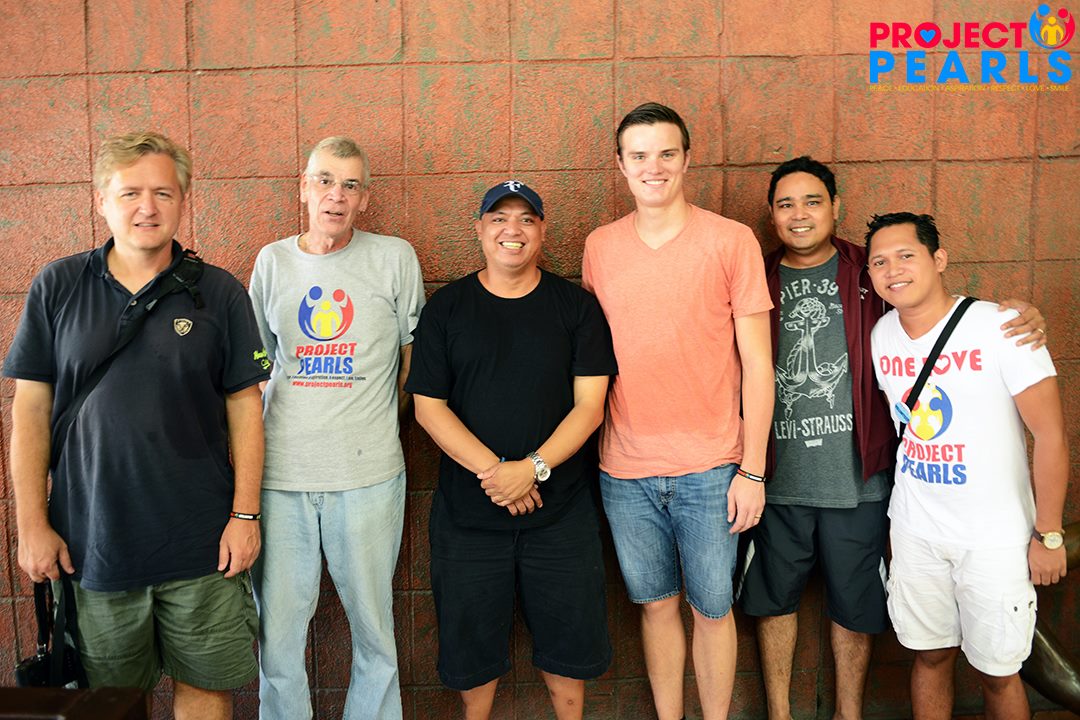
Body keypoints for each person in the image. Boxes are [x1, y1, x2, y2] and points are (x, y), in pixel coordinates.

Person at [738, 157, 1048, 720]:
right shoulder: (752, 275)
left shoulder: (869, 271)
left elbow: (936, 309)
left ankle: (849, 714)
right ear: (772, 215)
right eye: (786, 204)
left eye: (813, 201)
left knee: (856, 604)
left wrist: (1021, 315)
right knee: (773, 600)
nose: (800, 214)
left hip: (861, 478)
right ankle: (779, 714)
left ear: (836, 208)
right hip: (777, 475)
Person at [5, 131, 268, 720]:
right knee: (114, 702)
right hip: (94, 544)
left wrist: (245, 516)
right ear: (102, 200)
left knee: (207, 689)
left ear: (183, 200)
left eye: (163, 193)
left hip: (203, 543)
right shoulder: (59, 286)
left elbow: (246, 407)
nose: (147, 207)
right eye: (130, 193)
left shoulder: (218, 292)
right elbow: (29, 410)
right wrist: (32, 524)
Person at [582, 102, 774, 720]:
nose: (654, 167)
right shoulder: (600, 247)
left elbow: (759, 366)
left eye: (667, 153)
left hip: (713, 467)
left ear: (687, 159)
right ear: (620, 165)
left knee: (713, 610)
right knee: (656, 605)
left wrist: (753, 469)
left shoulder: (730, 240)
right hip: (625, 469)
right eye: (639, 155)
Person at [406, 181, 616, 720]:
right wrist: (501, 474)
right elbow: (429, 408)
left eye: (526, 218)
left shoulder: (577, 308)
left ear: (542, 231)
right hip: (469, 518)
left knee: (569, 651)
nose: (512, 230)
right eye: (499, 218)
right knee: (472, 657)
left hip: (561, 515)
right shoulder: (446, 308)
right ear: (479, 229)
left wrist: (534, 469)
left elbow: (590, 407)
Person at [248, 136, 424, 720]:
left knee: (375, 631)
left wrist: (376, 427)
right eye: (324, 181)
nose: (336, 195)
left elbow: (412, 364)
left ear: (365, 198)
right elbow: (256, 369)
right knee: (278, 640)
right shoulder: (272, 263)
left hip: (369, 476)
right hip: (281, 479)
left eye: (350, 185)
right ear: (303, 188)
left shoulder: (395, 258)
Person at [868, 212, 1068, 720]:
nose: (893, 270)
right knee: (930, 655)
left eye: (906, 255)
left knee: (999, 673)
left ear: (939, 259)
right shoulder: (882, 334)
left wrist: (1048, 534)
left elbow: (1050, 435)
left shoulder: (1002, 328)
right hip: (916, 531)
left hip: (993, 539)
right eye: (879, 262)